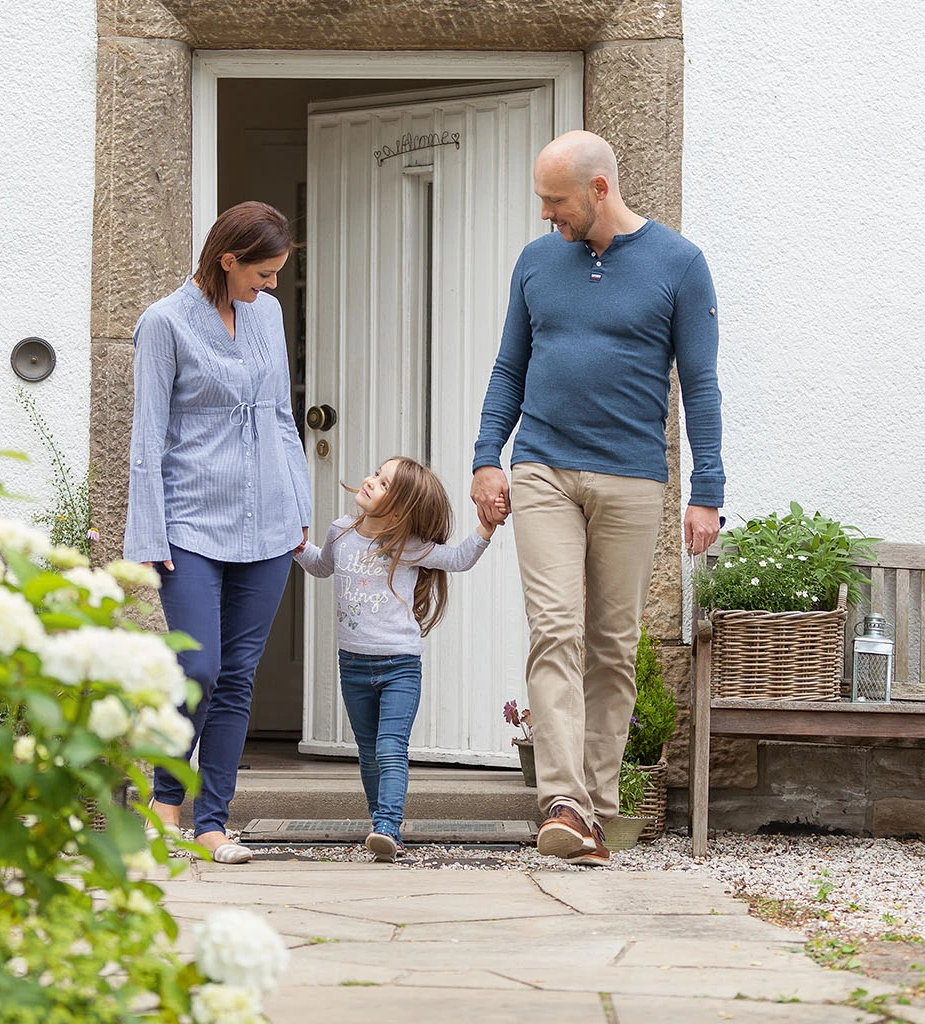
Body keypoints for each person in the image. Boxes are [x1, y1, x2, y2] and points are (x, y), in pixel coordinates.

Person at [470, 130, 724, 866]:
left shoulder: (680, 266)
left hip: (632, 476)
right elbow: (508, 367)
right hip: (544, 468)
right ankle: (563, 801)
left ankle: (596, 806)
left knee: (612, 647)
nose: (548, 215)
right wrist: (489, 458)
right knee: (555, 630)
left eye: (557, 201)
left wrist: (706, 490)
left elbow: (700, 386)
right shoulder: (536, 262)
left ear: (599, 189)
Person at [124, 201, 311, 865]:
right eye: (262, 272)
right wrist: (148, 535)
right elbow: (147, 436)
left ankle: (213, 823)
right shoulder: (164, 323)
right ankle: (164, 800)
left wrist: (299, 502)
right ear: (226, 259)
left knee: (237, 678)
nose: (271, 286)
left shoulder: (268, 315)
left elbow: (282, 415)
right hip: (190, 524)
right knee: (198, 666)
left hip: (267, 522)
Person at [295, 456, 499, 862]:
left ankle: (388, 825)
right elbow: (321, 567)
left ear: (401, 506)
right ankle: (380, 827)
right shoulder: (341, 532)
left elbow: (457, 559)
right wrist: (296, 545)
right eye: (375, 474)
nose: (371, 481)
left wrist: (486, 528)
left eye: (384, 483)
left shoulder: (409, 547)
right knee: (367, 749)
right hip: (352, 664)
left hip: (399, 666)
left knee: (390, 747)